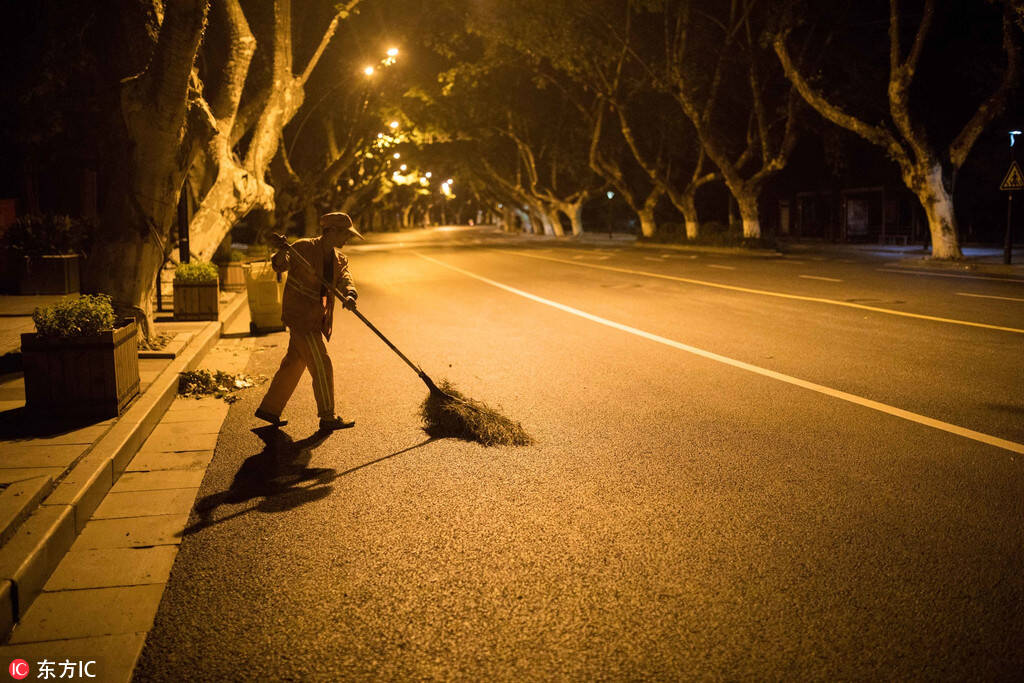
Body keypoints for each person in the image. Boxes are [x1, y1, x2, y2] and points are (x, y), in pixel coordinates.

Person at [254, 212, 364, 431]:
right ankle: (328, 417)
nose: (347, 239)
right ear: (331, 231)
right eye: (345, 234)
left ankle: (269, 409)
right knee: (321, 364)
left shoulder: (338, 258)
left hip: (317, 317)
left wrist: (350, 294)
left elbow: (345, 277)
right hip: (300, 317)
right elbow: (279, 266)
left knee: (294, 362)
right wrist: (283, 252)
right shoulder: (302, 248)